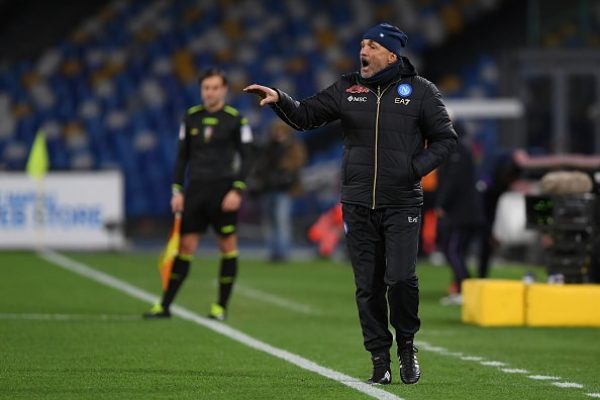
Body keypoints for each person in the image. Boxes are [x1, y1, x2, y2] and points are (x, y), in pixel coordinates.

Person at [245, 23, 457, 385]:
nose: (364, 50)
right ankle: (379, 359)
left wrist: (412, 170)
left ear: (391, 54)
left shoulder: (421, 92)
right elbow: (307, 115)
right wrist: (281, 99)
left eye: (372, 45)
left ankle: (407, 346)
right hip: (358, 203)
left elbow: (445, 140)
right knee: (368, 286)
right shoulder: (347, 88)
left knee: (402, 279)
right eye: (362, 43)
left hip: (401, 202)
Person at [144, 67, 254, 321]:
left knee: (227, 247)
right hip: (195, 191)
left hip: (224, 192)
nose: (210, 92)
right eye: (206, 88)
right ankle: (165, 305)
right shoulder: (191, 117)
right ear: (201, 90)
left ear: (224, 90)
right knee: (185, 247)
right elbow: (182, 157)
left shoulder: (236, 120)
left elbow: (249, 158)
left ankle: (220, 308)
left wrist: (237, 189)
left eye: (215, 87)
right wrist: (177, 190)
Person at [435, 134, 484, 305]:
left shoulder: (456, 150)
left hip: (462, 213)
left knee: (453, 249)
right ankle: (462, 287)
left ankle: (465, 289)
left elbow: (452, 180)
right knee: (454, 250)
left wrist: (442, 203)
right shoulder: (461, 147)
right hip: (464, 211)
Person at [252, 120, 307, 262]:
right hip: (268, 188)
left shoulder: (292, 148)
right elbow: (261, 168)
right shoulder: (268, 147)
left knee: (281, 221)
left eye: (281, 131)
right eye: (277, 131)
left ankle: (282, 253)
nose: (279, 134)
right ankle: (273, 251)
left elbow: (295, 169)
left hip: (284, 190)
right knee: (269, 221)